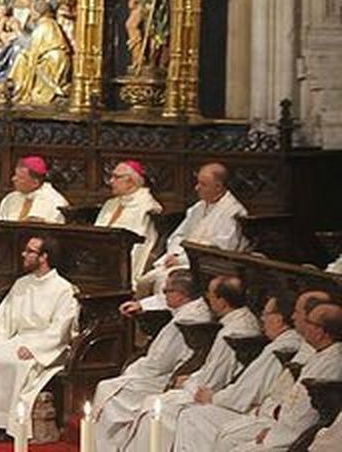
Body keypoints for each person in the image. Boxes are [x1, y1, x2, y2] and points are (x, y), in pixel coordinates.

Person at [116, 277, 259, 452]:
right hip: (211, 388)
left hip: (213, 396)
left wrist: (189, 383)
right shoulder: (245, 321)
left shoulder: (232, 333)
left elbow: (213, 380)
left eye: (211, 295)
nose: (208, 299)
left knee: (154, 410)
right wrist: (192, 378)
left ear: (222, 301)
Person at [174, 292, 329, 451]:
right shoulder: (304, 347)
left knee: (192, 417)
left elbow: (247, 393)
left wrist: (213, 396)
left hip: (267, 420)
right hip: (264, 414)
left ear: (278, 319)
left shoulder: (284, 347)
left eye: (266, 314)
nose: (294, 317)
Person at [91, 270, 215, 449]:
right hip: (165, 373)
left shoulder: (186, 320)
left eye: (167, 291)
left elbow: (158, 365)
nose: (164, 295)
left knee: (106, 391)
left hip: (163, 378)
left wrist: (133, 369)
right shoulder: (193, 309)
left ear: (181, 295)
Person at [0, 235, 80, 442]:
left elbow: (60, 329)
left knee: (19, 364)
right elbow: (4, 319)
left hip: (46, 347)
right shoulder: (22, 284)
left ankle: (14, 426)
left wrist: (35, 348)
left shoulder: (63, 288)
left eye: (30, 251)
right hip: (19, 340)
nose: (24, 254)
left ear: (44, 257)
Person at [138, 163, 249, 296]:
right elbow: (178, 236)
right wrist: (175, 254)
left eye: (203, 184)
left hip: (208, 268)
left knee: (166, 282)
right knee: (143, 282)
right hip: (182, 261)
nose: (197, 188)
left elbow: (220, 249)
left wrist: (181, 260)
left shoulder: (234, 212)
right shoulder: (198, 208)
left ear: (218, 186)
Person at [95, 160, 162, 290]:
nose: (110, 181)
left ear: (131, 181)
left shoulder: (147, 207)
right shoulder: (111, 203)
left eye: (116, 177)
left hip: (120, 264)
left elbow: (140, 245)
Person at [0, 156, 68, 223]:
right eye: (15, 175)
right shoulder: (10, 198)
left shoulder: (55, 201)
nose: (13, 179)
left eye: (20, 177)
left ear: (35, 183)